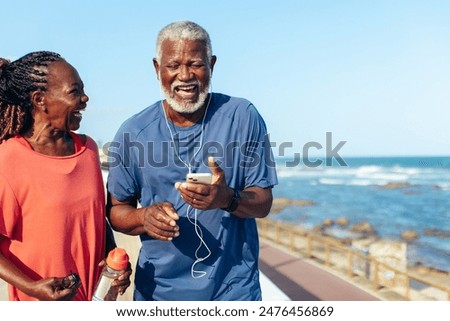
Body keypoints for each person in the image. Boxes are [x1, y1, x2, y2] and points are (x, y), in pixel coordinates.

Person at [107, 21, 278, 301]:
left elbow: (263, 202)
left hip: (234, 291)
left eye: (195, 64)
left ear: (211, 64)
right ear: (156, 68)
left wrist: (226, 198)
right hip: (160, 293)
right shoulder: (133, 131)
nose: (184, 76)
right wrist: (143, 217)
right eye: (173, 65)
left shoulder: (242, 115)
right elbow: (117, 210)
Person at [0, 51, 130, 301]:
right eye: (74, 91)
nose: (85, 98)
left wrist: (114, 261)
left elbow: (94, 220)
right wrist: (31, 286)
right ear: (40, 100)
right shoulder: (10, 159)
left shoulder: (89, 149)